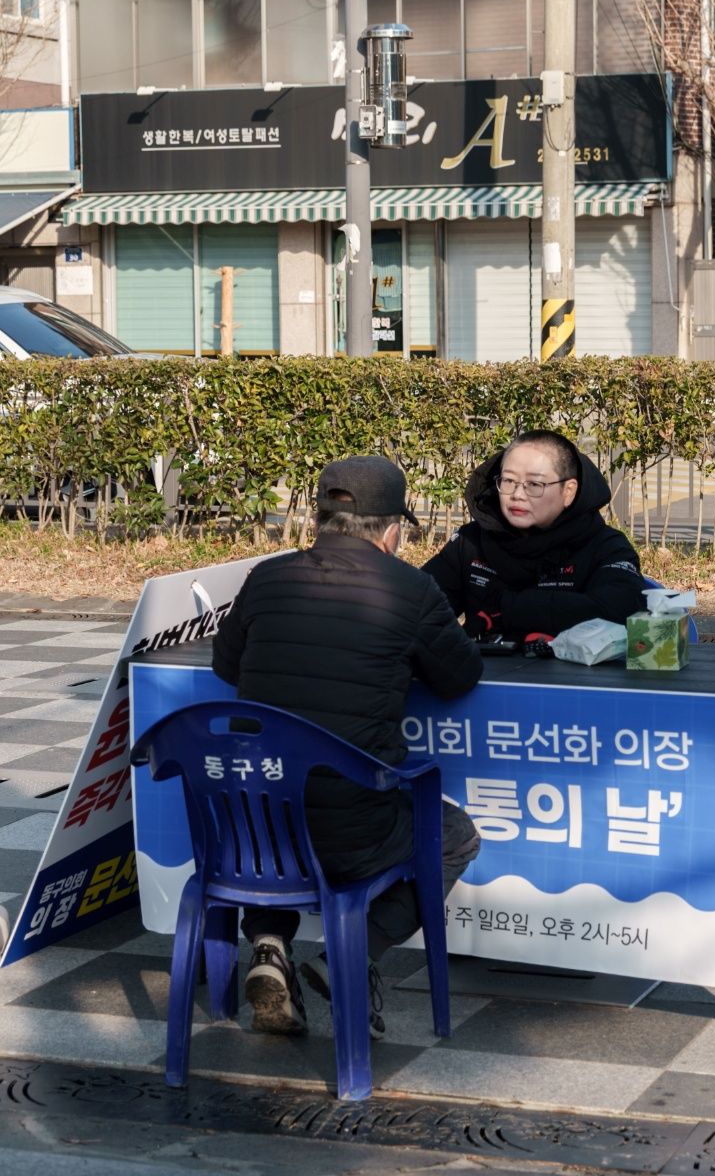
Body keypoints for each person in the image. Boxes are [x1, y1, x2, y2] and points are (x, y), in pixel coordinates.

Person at [210, 455, 482, 1040]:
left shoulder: (267, 577)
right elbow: (459, 677)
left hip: (248, 834)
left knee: (278, 802)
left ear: (319, 519)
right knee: (456, 836)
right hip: (354, 839)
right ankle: (352, 954)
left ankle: (267, 943)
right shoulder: (412, 589)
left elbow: (226, 664)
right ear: (392, 532)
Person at [423, 430, 643, 642]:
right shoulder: (470, 542)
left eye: (534, 484)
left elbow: (620, 611)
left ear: (569, 491)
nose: (517, 495)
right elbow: (418, 608)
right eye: (509, 481)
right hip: (478, 675)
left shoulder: (605, 546)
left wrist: (506, 609)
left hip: (575, 677)